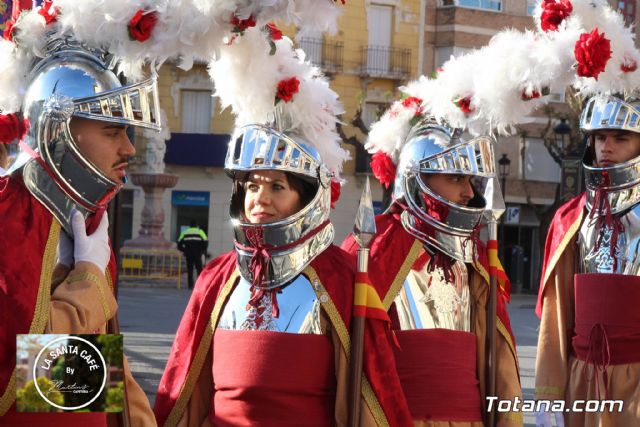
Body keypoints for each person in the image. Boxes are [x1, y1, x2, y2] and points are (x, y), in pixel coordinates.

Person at [154, 27, 412, 427]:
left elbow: (376, 391)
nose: (260, 197)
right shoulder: (217, 276)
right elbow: (181, 381)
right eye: (253, 185)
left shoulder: (341, 277)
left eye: (277, 186)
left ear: (307, 197)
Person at [0, 5, 157, 425]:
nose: (129, 148)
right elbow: (24, 366)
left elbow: (90, 377)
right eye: (112, 131)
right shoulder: (5, 216)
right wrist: (87, 279)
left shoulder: (84, 220)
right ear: (59, 130)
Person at [342, 102, 523, 426]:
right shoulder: (378, 245)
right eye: (456, 179)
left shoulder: (476, 256)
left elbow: (498, 362)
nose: (469, 192)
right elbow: (352, 354)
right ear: (417, 176)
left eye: (470, 180)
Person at [535, 92, 640, 426]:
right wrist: (549, 396)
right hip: (581, 384)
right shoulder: (571, 218)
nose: (605, 147)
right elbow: (556, 316)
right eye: (598, 137)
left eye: (620, 138)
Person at [177, 221, 208, 289]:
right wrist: (202, 250)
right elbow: (205, 242)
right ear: (196, 225)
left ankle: (190, 286)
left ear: (189, 226)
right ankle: (199, 285)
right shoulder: (200, 232)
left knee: (190, 270)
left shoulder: (185, 232)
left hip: (188, 254)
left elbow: (179, 244)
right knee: (199, 269)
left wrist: (184, 250)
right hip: (197, 254)